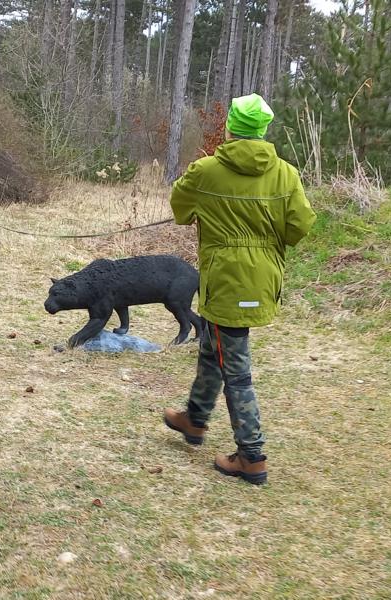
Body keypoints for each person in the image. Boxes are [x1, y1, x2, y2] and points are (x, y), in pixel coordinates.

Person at [161, 93, 316, 485]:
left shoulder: (205, 170)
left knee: (236, 367)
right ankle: (195, 419)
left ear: (230, 127)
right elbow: (299, 227)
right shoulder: (286, 174)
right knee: (215, 346)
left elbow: (180, 209)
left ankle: (251, 456)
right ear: (262, 130)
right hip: (263, 279)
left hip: (225, 279)